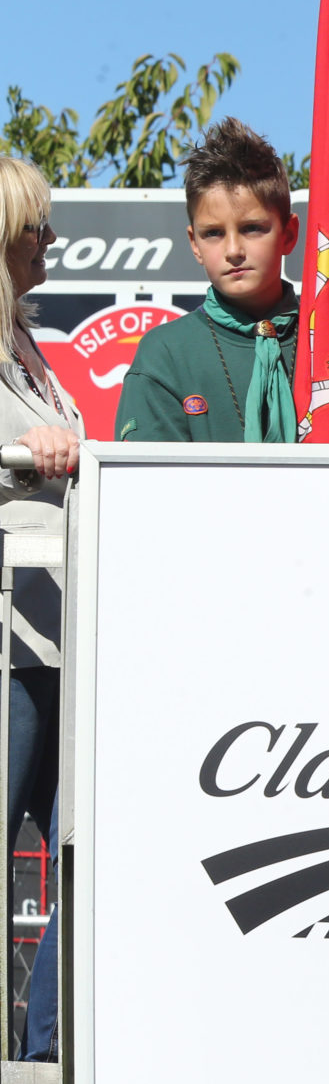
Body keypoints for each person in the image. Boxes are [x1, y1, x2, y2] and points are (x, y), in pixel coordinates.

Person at [0, 158, 77, 1061]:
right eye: (35, 227)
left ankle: (45, 1047)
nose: (50, 240)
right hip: (11, 641)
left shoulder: (30, 344)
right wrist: (23, 442)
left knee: (76, 853)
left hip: (60, 640)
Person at [115, 120, 310, 442]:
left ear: (289, 234)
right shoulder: (166, 354)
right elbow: (145, 484)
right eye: (214, 233)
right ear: (195, 244)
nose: (234, 250)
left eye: (252, 228)